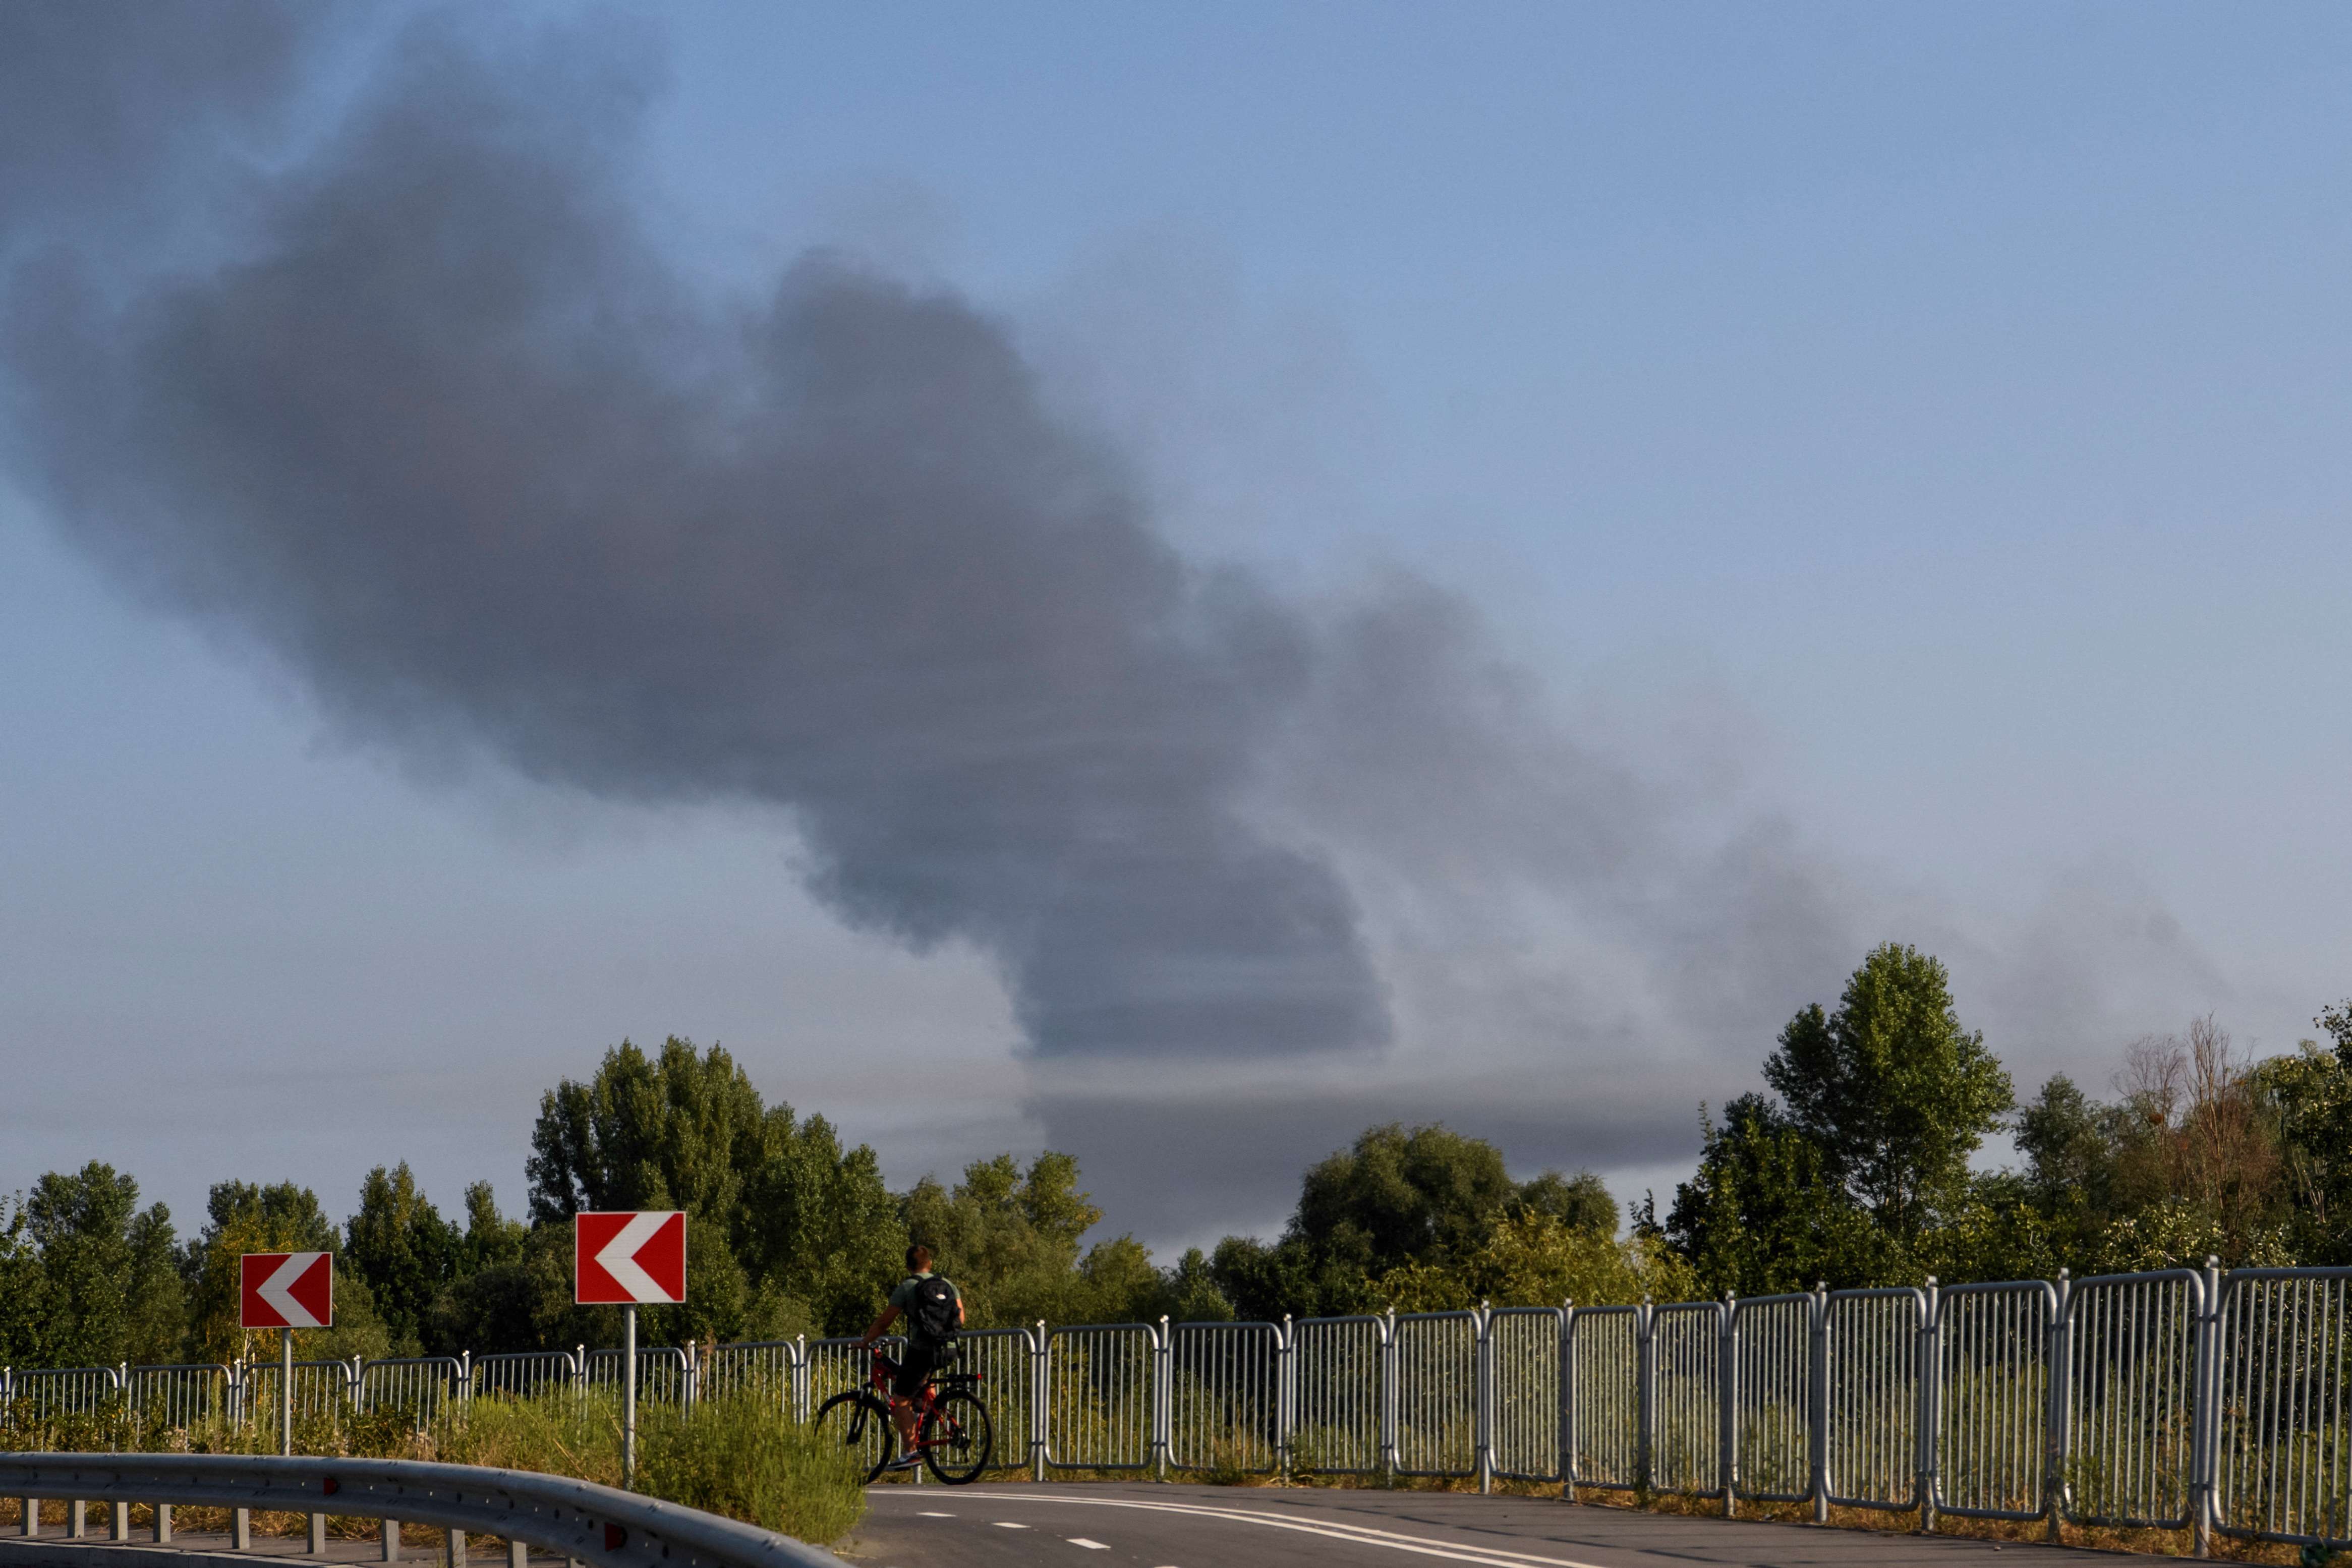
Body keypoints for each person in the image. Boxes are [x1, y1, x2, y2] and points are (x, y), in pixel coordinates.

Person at [859, 1243, 964, 1469]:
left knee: (901, 1399)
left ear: (908, 1266)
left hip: (923, 1350)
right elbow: (961, 1317)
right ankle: (927, 1422)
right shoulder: (948, 1285)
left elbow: (884, 1322)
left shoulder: (907, 1287)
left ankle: (911, 1452)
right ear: (931, 1264)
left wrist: (865, 1341)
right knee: (923, 1389)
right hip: (951, 1347)